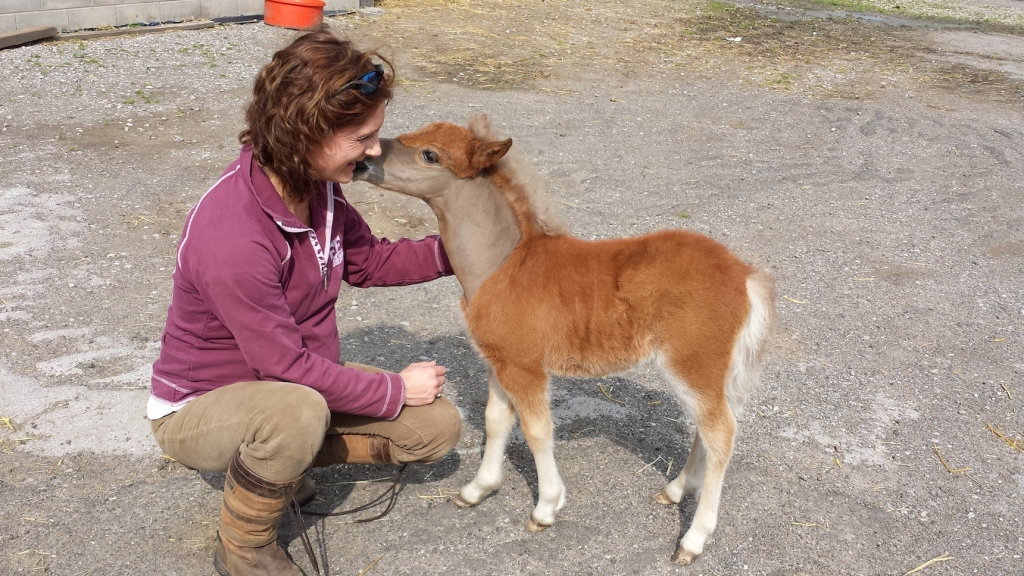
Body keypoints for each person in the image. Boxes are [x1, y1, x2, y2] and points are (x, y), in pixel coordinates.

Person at [147, 30, 462, 576]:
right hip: (202, 405)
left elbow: (368, 262)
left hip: (290, 387)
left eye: (375, 134)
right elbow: (283, 366)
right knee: (298, 410)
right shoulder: (232, 232)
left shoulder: (318, 188)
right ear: (303, 133)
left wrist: (462, 250)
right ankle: (245, 547)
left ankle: (279, 466)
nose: (373, 153)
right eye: (361, 137)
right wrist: (393, 387)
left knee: (435, 428)